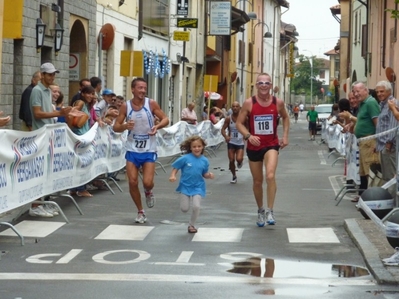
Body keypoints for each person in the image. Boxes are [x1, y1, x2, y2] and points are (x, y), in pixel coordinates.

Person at [113, 77, 169, 223]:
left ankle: (148, 191)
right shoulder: (126, 106)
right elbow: (115, 127)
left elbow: (165, 119)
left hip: (149, 149)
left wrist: (157, 127)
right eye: (140, 88)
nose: (143, 91)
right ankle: (140, 211)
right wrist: (125, 126)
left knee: (147, 182)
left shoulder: (151, 104)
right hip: (132, 149)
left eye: (145, 88)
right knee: (132, 182)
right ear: (132, 89)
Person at [236, 73, 289, 227]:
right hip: (254, 146)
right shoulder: (249, 103)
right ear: (256, 85)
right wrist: (248, 136)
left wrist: (285, 136)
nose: (264, 85)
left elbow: (285, 117)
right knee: (257, 181)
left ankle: (270, 210)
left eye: (267, 83)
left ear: (271, 85)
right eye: (261, 83)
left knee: (270, 175)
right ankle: (260, 210)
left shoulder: (277, 102)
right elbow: (239, 123)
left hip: (271, 144)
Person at [29, 62, 72, 217]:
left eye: (54, 74)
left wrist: (61, 112)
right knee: (39, 171)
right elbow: (37, 114)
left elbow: (46, 112)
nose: (52, 77)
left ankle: (42, 202)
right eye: (49, 74)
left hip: (47, 135)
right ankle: (35, 205)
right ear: (42, 75)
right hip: (40, 135)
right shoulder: (37, 90)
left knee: (46, 171)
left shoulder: (47, 90)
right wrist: (58, 114)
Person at [169, 136, 214, 233]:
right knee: (184, 209)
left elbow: (204, 173)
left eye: (199, 146)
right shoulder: (185, 158)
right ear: (190, 148)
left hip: (198, 186)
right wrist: (173, 175)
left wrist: (208, 175)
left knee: (196, 206)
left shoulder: (204, 160)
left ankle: (191, 225)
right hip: (185, 186)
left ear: (202, 147)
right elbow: (176, 167)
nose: (197, 148)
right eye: (194, 147)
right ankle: (185, 203)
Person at [350, 81, 381, 201]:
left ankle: (372, 198)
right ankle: (364, 196)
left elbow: (377, 123)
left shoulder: (371, 103)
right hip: (363, 142)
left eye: (358, 91)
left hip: (370, 142)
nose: (356, 94)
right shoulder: (363, 104)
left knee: (370, 170)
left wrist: (378, 141)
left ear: (365, 90)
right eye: (354, 91)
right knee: (363, 171)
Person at [68, 85, 97, 197]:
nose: (91, 96)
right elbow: (71, 114)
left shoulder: (86, 105)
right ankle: (81, 188)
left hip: (83, 135)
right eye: (88, 93)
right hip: (79, 135)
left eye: (92, 93)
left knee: (79, 162)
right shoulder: (80, 103)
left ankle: (75, 188)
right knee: (82, 162)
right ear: (83, 93)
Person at [375, 81, 399, 198]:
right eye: (377, 92)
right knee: (386, 176)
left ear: (389, 91)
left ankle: (393, 204)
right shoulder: (382, 105)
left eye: (382, 91)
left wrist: (389, 142)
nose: (379, 94)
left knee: (391, 177)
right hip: (383, 146)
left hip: (390, 147)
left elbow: (393, 124)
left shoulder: (392, 103)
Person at [221, 101, 244, 184]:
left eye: (236, 106)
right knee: (231, 160)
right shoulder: (228, 118)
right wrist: (226, 136)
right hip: (231, 142)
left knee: (239, 159)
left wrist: (246, 135)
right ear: (231, 108)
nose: (235, 108)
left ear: (239, 107)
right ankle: (234, 176)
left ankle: (239, 162)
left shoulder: (244, 118)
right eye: (233, 106)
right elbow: (223, 129)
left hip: (240, 142)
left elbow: (248, 128)